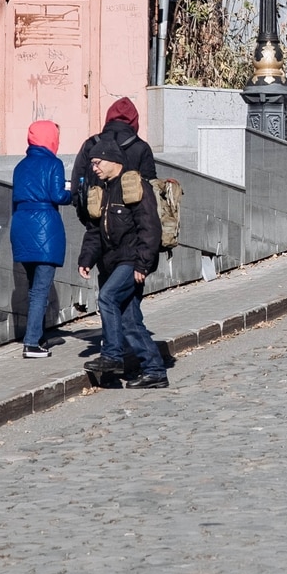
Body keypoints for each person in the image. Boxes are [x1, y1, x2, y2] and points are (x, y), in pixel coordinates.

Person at [74, 98, 169, 388]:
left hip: (131, 260)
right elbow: (94, 229)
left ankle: (112, 355)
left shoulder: (132, 187)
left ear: (113, 160)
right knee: (129, 318)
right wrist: (86, 259)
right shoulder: (102, 190)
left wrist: (142, 263)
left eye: (97, 162)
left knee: (108, 298)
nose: (93, 168)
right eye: (92, 163)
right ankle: (154, 370)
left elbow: (149, 226)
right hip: (112, 259)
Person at [10, 120, 72, 358]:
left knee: (32, 286)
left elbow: (14, 201)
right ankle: (32, 343)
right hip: (45, 228)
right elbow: (58, 195)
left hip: (21, 226)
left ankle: (38, 336)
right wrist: (74, 193)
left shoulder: (20, 167)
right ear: (51, 138)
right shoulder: (53, 164)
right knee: (40, 290)